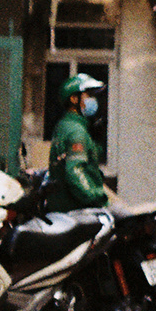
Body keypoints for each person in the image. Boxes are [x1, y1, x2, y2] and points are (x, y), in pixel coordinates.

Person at [47, 73, 111, 214]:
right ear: (74, 99)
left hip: (62, 209)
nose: (93, 100)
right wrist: (97, 198)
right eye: (89, 95)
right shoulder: (76, 131)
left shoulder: (64, 125)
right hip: (76, 211)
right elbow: (75, 172)